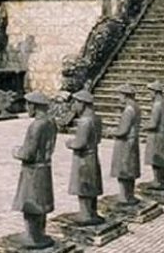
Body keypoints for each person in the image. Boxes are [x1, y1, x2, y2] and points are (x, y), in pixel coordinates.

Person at [11, 91, 57, 248]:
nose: (27, 108)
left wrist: (17, 151)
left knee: (31, 204)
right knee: (41, 203)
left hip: (33, 170)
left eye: (28, 104)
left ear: (34, 106)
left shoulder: (36, 125)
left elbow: (29, 153)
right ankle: (39, 233)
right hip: (45, 167)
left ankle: (33, 236)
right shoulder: (51, 122)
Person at [66, 90, 103, 225]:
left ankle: (85, 214)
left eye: (76, 102)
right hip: (93, 155)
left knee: (83, 186)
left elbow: (79, 143)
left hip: (83, 158)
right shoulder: (96, 118)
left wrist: (70, 143)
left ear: (83, 103)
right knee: (91, 186)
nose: (74, 106)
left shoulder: (84, 121)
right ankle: (92, 212)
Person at [110, 83, 141, 205]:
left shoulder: (128, 110)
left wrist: (113, 132)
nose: (119, 97)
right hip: (133, 140)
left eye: (120, 95)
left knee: (123, 169)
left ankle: (124, 196)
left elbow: (123, 130)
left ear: (125, 95)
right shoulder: (136, 107)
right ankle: (130, 194)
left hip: (125, 142)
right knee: (130, 168)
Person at [143, 81, 164, 190]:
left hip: (156, 135)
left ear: (155, 92)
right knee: (162, 159)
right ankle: (161, 179)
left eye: (150, 92)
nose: (149, 94)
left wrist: (143, 127)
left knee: (156, 158)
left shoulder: (157, 105)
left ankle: (157, 180)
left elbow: (154, 124)